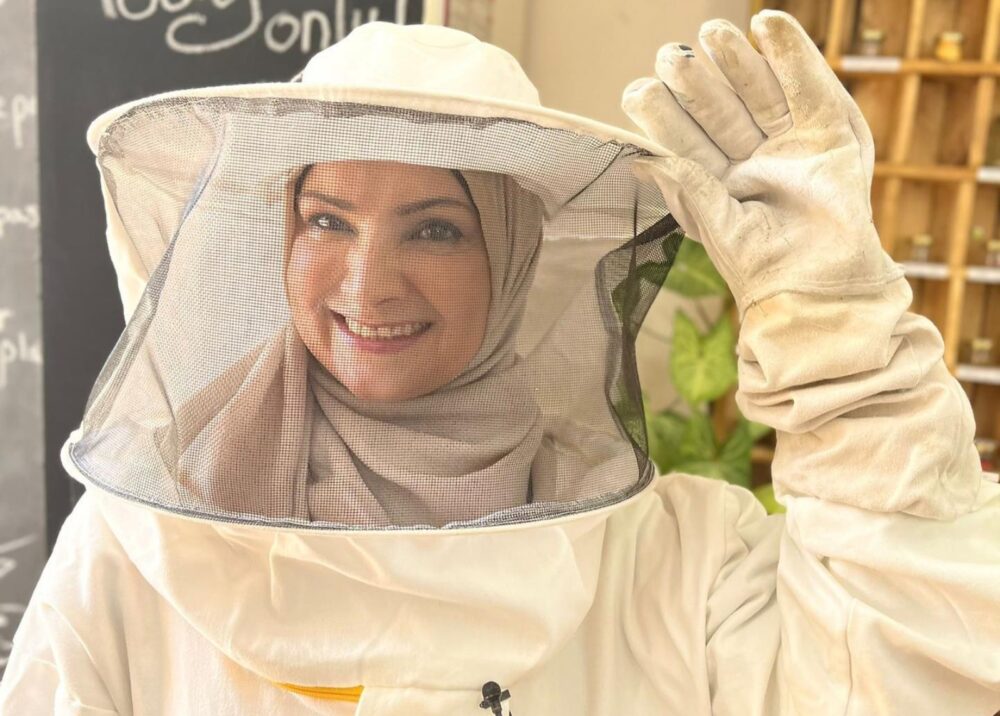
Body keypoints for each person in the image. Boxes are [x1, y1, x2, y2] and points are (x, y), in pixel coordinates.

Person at [1, 11, 998, 715]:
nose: (366, 282)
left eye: (434, 229)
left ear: (515, 257)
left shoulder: (678, 559)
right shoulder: (141, 540)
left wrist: (848, 358)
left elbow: (907, 674)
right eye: (326, 220)